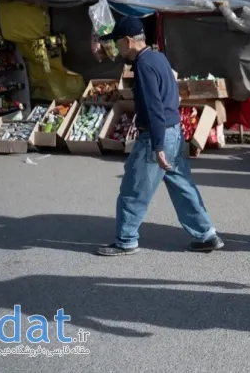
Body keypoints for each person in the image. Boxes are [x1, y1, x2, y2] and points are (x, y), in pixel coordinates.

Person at [96, 16, 224, 256]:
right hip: (174, 130)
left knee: (134, 188)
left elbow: (154, 107)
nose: (117, 47)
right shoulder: (158, 57)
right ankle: (206, 234)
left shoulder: (143, 65)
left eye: (118, 42)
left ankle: (126, 240)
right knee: (181, 185)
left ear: (127, 41)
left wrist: (158, 145)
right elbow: (171, 96)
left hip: (158, 135)